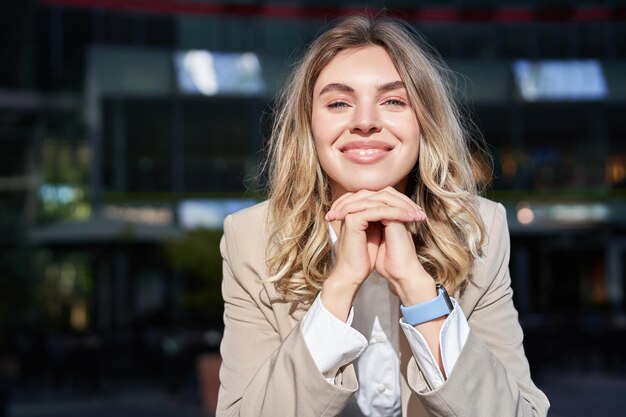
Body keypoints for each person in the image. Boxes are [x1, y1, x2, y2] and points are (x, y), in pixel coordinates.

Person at [216, 14, 549, 417]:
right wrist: (339, 288)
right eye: (339, 103)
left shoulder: (479, 230)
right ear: (309, 125)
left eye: (393, 100)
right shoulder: (251, 238)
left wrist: (419, 292)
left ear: (424, 121)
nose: (366, 122)